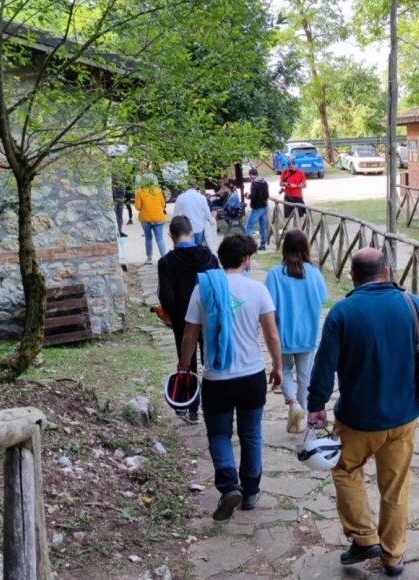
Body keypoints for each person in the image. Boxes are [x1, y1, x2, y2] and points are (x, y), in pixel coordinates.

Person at [307, 248, 419, 578]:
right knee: (395, 487)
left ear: (353, 276)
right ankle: (393, 556)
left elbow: (324, 366)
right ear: (386, 272)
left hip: (356, 419)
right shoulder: (412, 304)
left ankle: (363, 536)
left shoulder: (342, 313)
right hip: (402, 417)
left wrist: (316, 406)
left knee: (344, 470)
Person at [178, 234, 283, 521]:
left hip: (217, 378)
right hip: (251, 375)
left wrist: (184, 367)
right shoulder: (257, 290)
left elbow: (190, 334)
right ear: (247, 259)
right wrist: (278, 366)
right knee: (251, 434)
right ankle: (250, 491)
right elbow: (272, 334)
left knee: (220, 434)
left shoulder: (204, 289)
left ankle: (228, 487)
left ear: (221, 259)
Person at [264, 230, 328, 433]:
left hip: (283, 333)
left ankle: (293, 404)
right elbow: (323, 298)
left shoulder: (275, 273)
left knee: (283, 369)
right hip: (307, 333)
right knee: (305, 376)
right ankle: (305, 416)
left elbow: (269, 304)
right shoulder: (314, 272)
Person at [158, 216, 220, 423]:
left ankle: (192, 407)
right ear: (191, 232)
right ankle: (214, 404)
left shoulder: (166, 262)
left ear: (171, 236)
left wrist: (169, 312)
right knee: (209, 358)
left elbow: (166, 295)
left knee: (187, 362)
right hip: (209, 315)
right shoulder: (208, 256)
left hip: (182, 319)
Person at [134, 173, 167, 264]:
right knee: (160, 239)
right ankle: (164, 258)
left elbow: (137, 207)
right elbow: (163, 204)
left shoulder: (140, 192)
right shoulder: (158, 191)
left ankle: (149, 258)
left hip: (145, 219)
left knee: (148, 238)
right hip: (158, 218)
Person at [245, 168, 269, 250]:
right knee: (263, 227)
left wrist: (248, 196)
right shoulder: (264, 182)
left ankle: (249, 246)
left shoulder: (254, 183)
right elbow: (266, 195)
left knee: (248, 227)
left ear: (251, 175)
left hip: (257, 208)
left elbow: (253, 196)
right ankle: (263, 245)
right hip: (264, 207)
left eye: (250, 175)